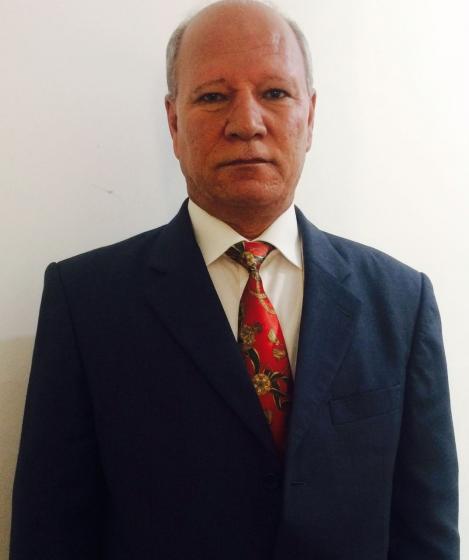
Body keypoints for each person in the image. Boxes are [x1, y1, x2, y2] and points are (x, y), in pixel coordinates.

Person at [9, 1, 459, 559]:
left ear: (310, 116)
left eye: (275, 93)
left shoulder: (401, 302)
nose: (247, 123)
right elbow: (50, 535)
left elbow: (426, 534)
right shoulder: (85, 304)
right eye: (213, 96)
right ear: (174, 122)